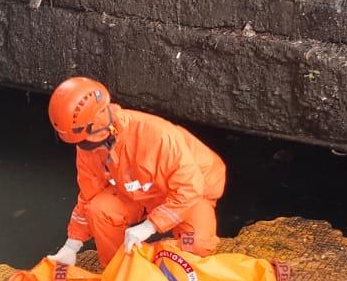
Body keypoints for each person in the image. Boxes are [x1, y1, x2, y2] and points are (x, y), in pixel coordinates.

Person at [45, 76, 225, 266]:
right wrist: (72, 245)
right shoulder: (88, 146)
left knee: (196, 244)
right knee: (99, 209)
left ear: (99, 126)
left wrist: (149, 226)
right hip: (140, 193)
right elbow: (89, 194)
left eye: (85, 141)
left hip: (188, 195)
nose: (83, 147)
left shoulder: (158, 136)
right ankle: (118, 269)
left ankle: (161, 255)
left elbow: (190, 189)